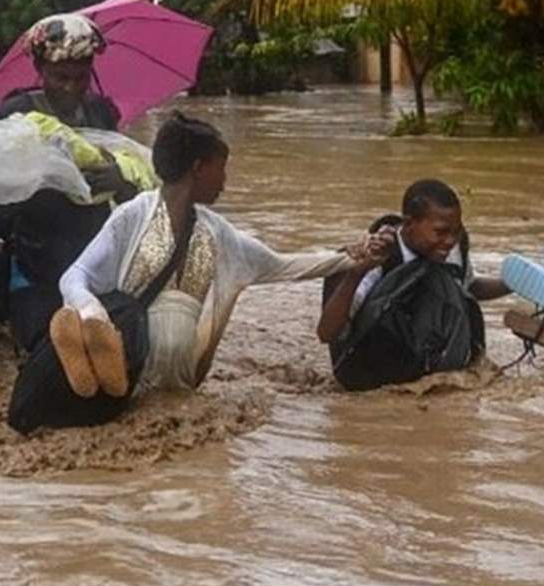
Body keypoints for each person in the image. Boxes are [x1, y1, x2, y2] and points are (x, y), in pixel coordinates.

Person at [49, 114, 380, 399]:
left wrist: (351, 258)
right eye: (221, 169)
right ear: (198, 168)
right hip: (132, 371)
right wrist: (92, 312)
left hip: (181, 383)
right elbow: (75, 277)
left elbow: (282, 265)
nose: (224, 182)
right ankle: (93, 350)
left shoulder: (218, 233)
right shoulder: (132, 216)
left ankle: (97, 358)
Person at [0, 13, 139, 350]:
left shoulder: (101, 113)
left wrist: (119, 179)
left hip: (91, 255)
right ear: (39, 69)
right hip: (35, 261)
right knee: (50, 347)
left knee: (118, 343)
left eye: (81, 77)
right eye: (60, 76)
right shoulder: (18, 114)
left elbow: (130, 182)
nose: (71, 87)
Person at [315, 179, 512, 391]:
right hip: (371, 370)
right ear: (409, 224)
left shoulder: (451, 248)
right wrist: (356, 273)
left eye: (456, 231)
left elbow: (468, 288)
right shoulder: (377, 254)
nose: (449, 241)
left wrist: (513, 284)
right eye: (440, 232)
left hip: (426, 363)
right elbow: (327, 333)